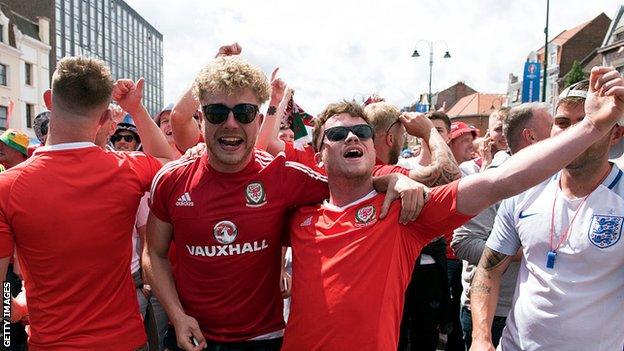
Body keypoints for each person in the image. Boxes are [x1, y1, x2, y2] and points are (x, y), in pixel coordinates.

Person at [281, 66, 624, 350]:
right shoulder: (298, 213)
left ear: (375, 147)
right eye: (338, 133)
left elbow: (499, 181)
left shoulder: (402, 210)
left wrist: (592, 126)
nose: (352, 137)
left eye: (361, 131)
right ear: (318, 154)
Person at [144, 55, 418, 351]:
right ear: (202, 118)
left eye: (245, 112)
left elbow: (346, 184)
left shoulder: (284, 175)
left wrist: (388, 180)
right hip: (191, 336)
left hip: (264, 340)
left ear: (259, 120)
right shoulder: (171, 180)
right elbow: (153, 254)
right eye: (217, 113)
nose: (231, 123)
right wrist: (177, 315)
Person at [0, 56, 172, 350]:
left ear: (49, 100)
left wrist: (13, 308)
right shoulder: (127, 169)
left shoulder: (7, 187)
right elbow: (169, 162)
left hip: (52, 343)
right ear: (105, 117)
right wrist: (136, 109)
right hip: (125, 340)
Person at [470, 77, 624, 351]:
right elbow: (488, 270)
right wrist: (481, 338)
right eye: (563, 122)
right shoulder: (523, 188)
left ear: (615, 134)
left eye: (586, 121)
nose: (573, 132)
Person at [451, 103, 553, 348]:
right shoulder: (494, 182)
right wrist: (521, 250)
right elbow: (462, 242)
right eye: (555, 126)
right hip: (497, 314)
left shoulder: (558, 178)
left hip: (536, 312)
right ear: (531, 137)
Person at [364, 101, 461, 351]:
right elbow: (450, 175)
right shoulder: (385, 172)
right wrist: (429, 131)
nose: (404, 140)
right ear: (389, 138)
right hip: (398, 287)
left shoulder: (360, 174)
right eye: (401, 135)